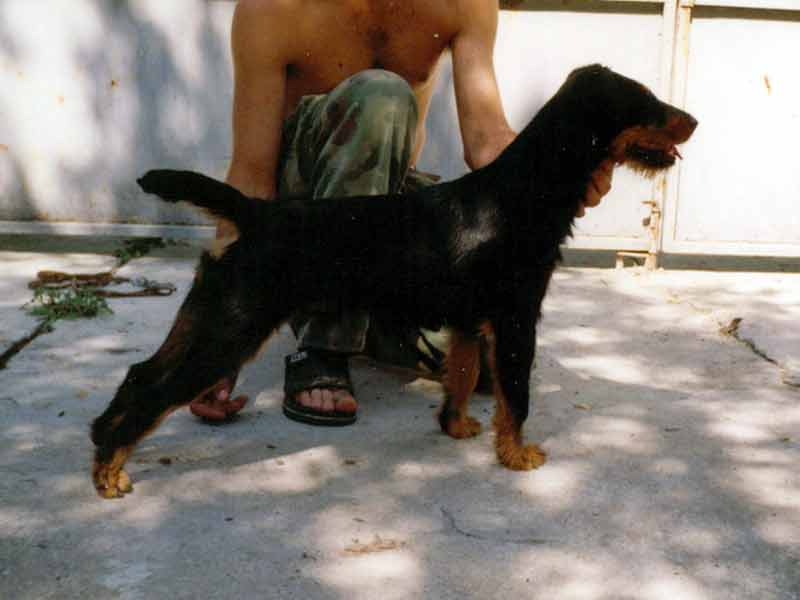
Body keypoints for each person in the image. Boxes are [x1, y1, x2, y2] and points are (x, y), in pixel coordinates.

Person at [189, 0, 614, 424]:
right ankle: (323, 347)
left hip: (389, 223)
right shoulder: (271, 9)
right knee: (382, 95)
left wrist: (563, 173)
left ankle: (348, 312)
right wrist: (215, 339)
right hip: (304, 225)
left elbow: (487, 140)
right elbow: (251, 179)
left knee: (484, 357)